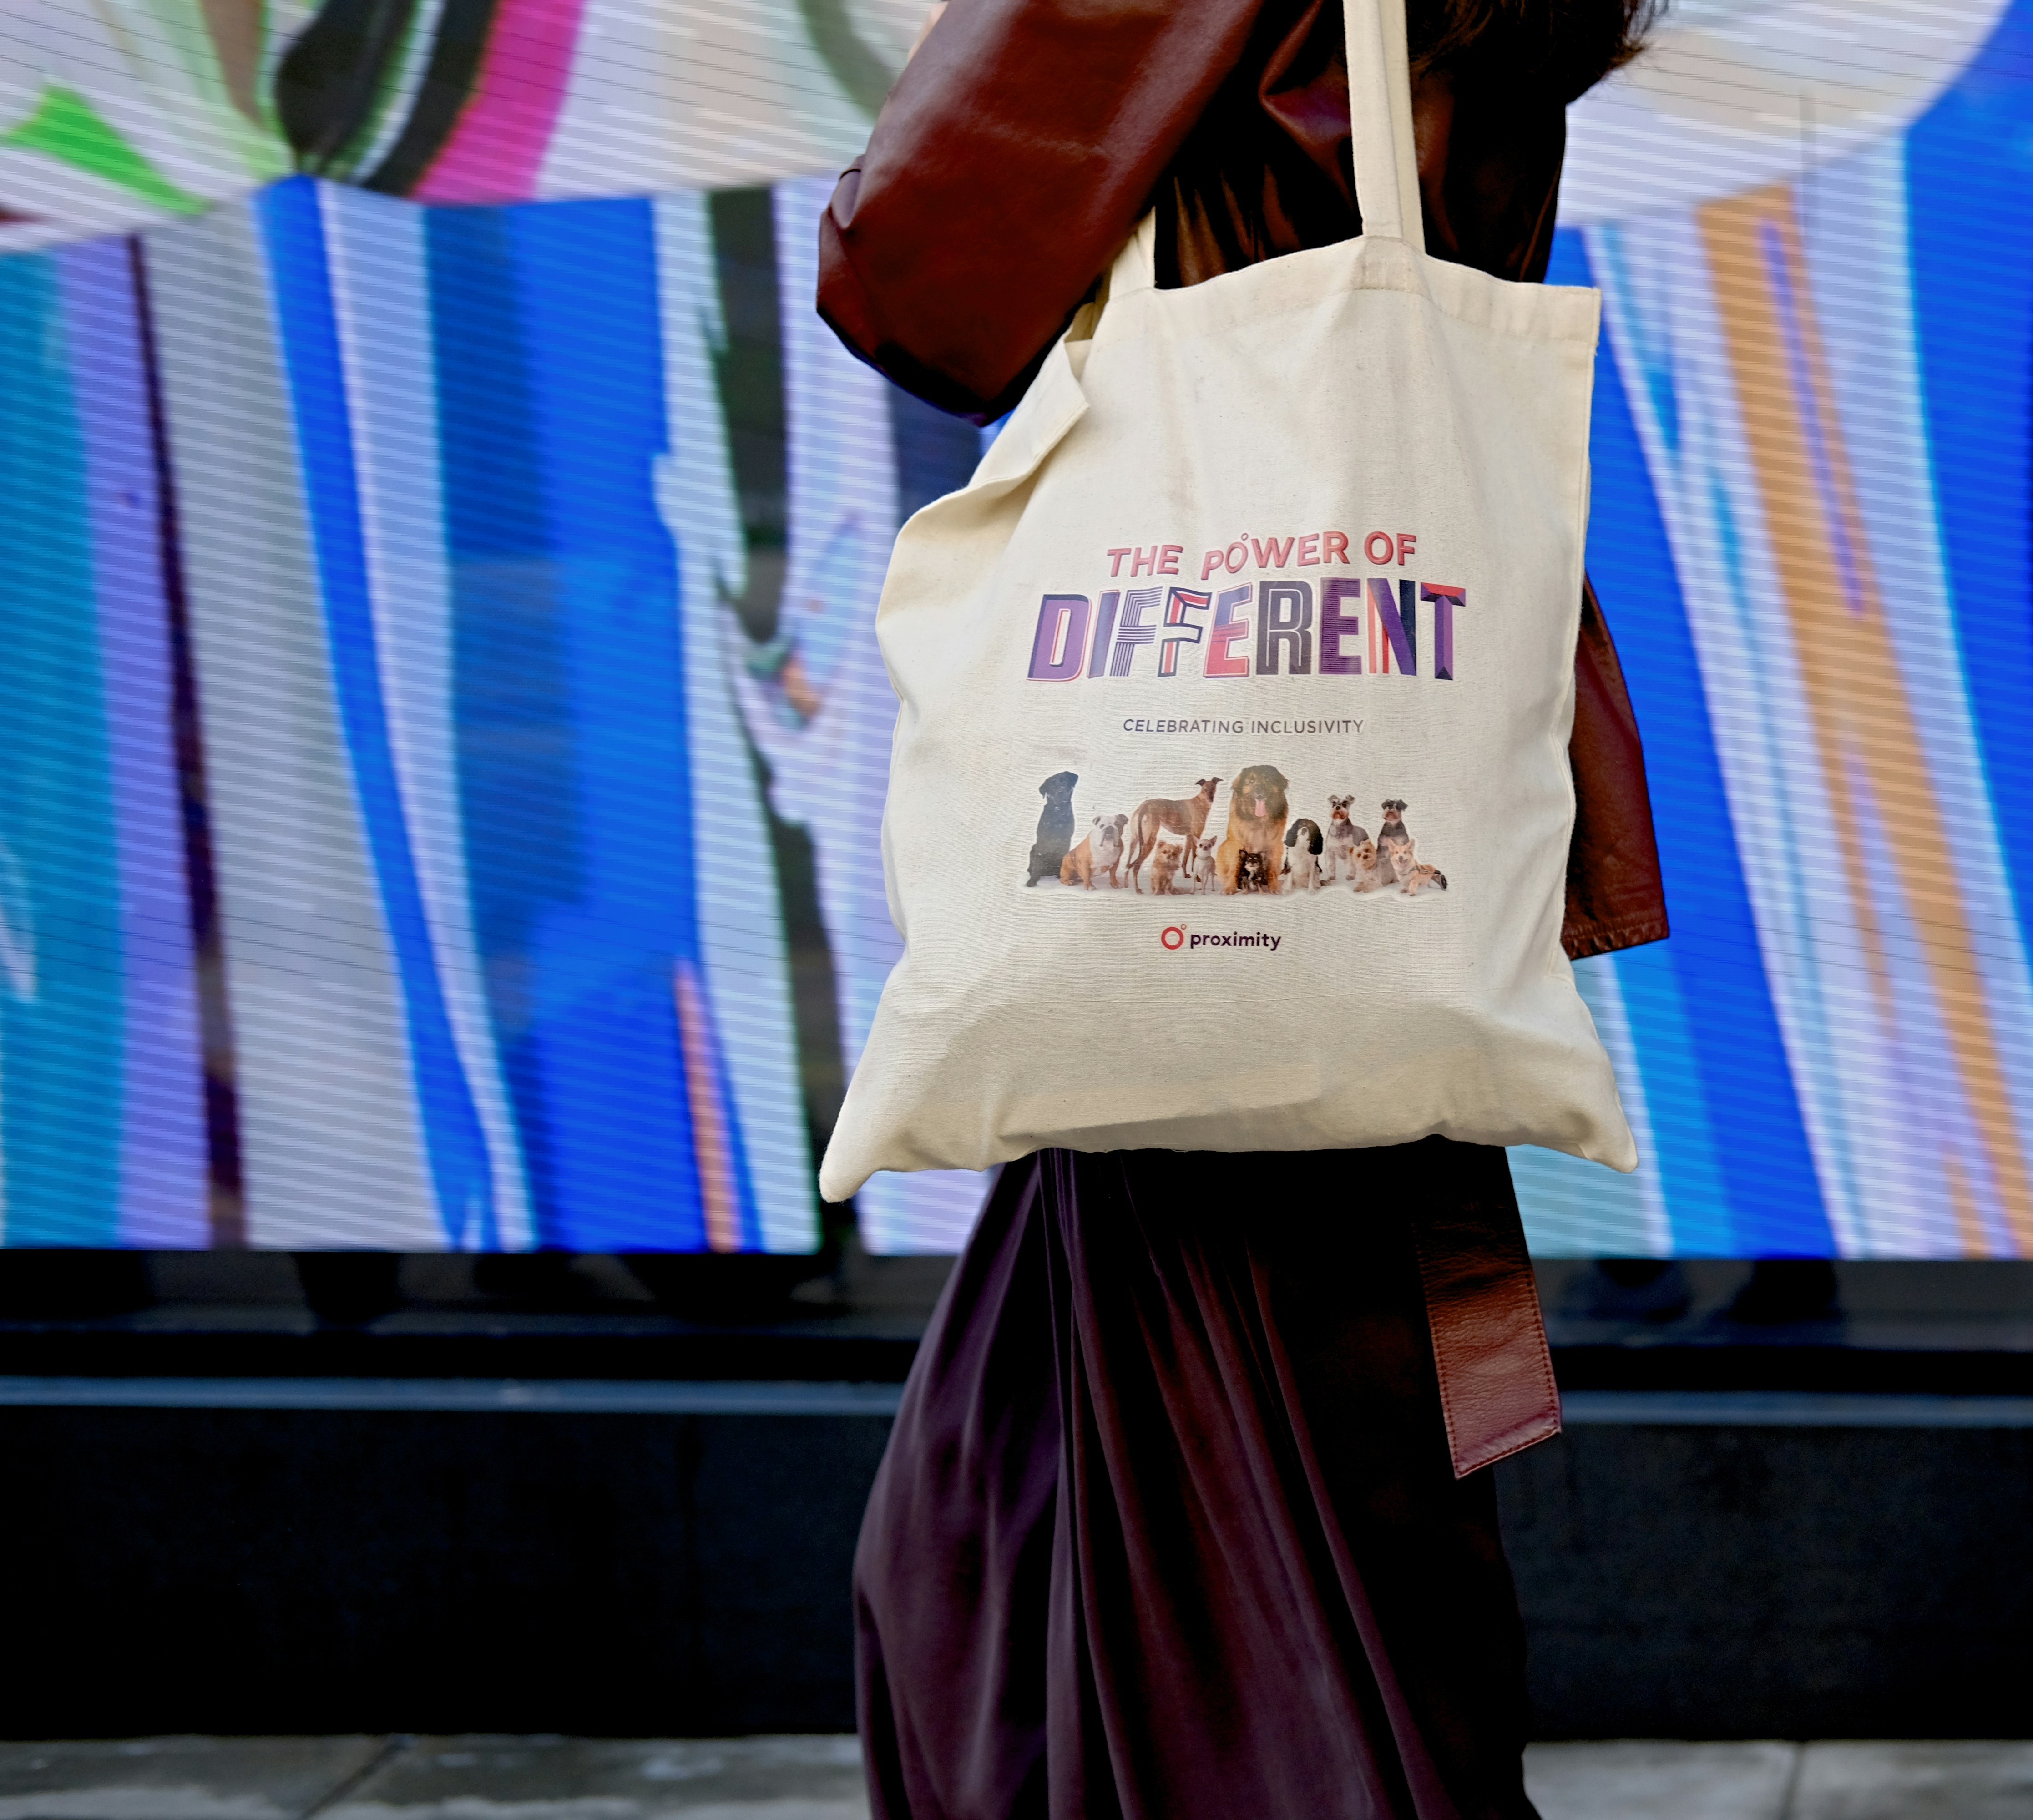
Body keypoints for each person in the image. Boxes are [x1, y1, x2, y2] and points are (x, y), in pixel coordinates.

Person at [814, 1, 1667, 1814]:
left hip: (1201, 868)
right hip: (1343, 814)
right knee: (1171, 1530)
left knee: (1186, 1581)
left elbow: (904, 275)